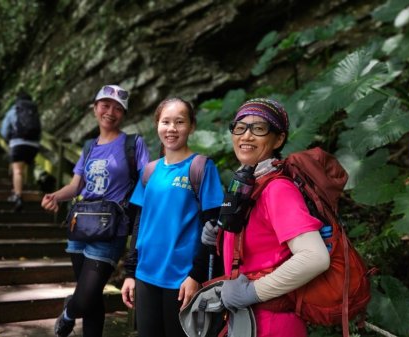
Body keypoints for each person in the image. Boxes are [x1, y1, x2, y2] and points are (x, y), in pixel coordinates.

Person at [200, 98, 331, 337]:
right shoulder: (249, 184)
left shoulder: (277, 189)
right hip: (245, 322)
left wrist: (253, 292)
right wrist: (219, 238)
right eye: (240, 128)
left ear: (278, 139)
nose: (246, 136)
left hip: (272, 325)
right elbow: (259, 249)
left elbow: (315, 257)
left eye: (258, 128)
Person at [41, 84, 150, 337]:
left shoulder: (133, 144)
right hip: (80, 226)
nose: (110, 112)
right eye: (105, 105)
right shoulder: (90, 146)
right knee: (91, 297)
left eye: (117, 108)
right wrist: (55, 196)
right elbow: (76, 184)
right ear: (95, 108)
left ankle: (68, 313)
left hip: (111, 228)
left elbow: (148, 179)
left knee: (85, 293)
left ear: (123, 114)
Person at [121, 98, 224, 337]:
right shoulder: (150, 171)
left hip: (182, 279)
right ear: (157, 125)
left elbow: (212, 226)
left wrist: (196, 275)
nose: (172, 128)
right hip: (146, 275)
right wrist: (130, 272)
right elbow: (139, 223)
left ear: (191, 126)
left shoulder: (202, 167)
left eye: (180, 122)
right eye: (166, 122)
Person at [0, 90, 41, 212]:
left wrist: (9, 140)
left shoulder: (14, 110)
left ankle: (18, 196)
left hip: (18, 143)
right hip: (33, 146)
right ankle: (27, 188)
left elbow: (3, 131)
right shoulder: (34, 112)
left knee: (17, 171)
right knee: (24, 168)